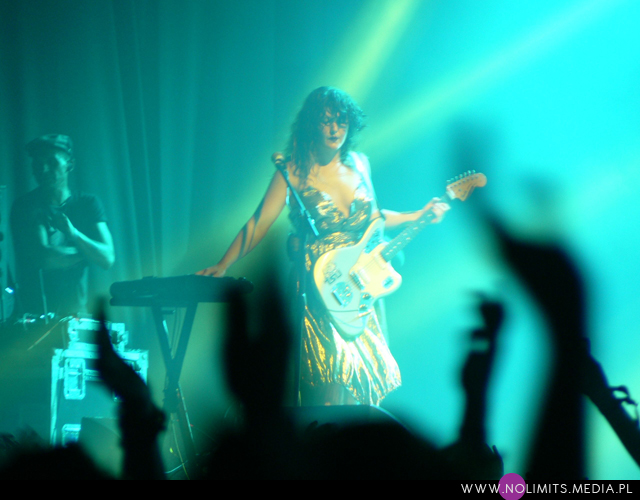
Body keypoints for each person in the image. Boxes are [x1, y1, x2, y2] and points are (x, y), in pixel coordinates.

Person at [198, 87, 449, 406]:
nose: (334, 129)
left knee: (363, 388)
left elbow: (376, 219)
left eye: (341, 121)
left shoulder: (360, 164)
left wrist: (419, 214)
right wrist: (224, 264)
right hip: (320, 285)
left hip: (360, 284)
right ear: (311, 125)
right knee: (328, 382)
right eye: (326, 121)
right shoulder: (292, 172)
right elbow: (259, 222)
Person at [10, 134, 115, 320]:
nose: (43, 169)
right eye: (38, 163)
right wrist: (88, 253)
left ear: (70, 165)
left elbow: (107, 258)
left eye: (52, 162)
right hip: (33, 319)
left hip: (77, 316)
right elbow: (44, 258)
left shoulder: (88, 203)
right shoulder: (25, 206)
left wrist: (73, 233)